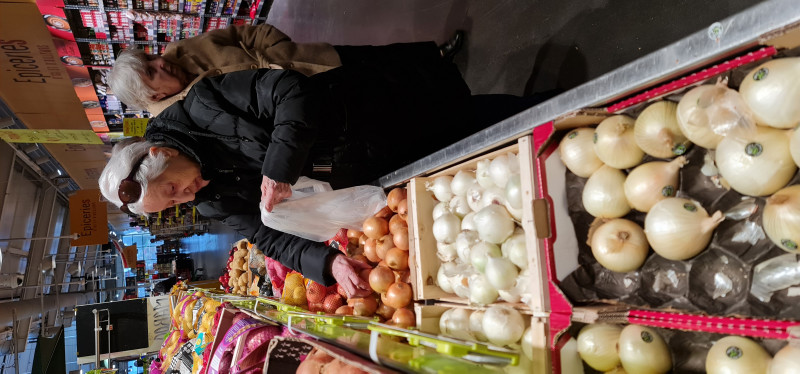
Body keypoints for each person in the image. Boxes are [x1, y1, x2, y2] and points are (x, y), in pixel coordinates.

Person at [100, 38, 542, 298]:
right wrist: (328, 264)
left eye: (174, 190)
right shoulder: (210, 200)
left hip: (370, 117)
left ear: (159, 154)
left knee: (474, 121)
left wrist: (278, 170)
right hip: (370, 175)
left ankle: (552, 108)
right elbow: (263, 233)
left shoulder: (203, 104)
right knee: (469, 160)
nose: (189, 197)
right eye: (176, 204)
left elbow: (289, 92)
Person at [108, 23, 464, 115]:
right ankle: (449, 93)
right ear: (154, 95)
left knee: (379, 57)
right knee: (383, 91)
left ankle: (435, 55)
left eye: (152, 58)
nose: (161, 61)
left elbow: (242, 33)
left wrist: (278, 48)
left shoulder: (180, 50)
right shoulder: (184, 112)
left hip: (309, 58)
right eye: (153, 71)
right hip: (310, 94)